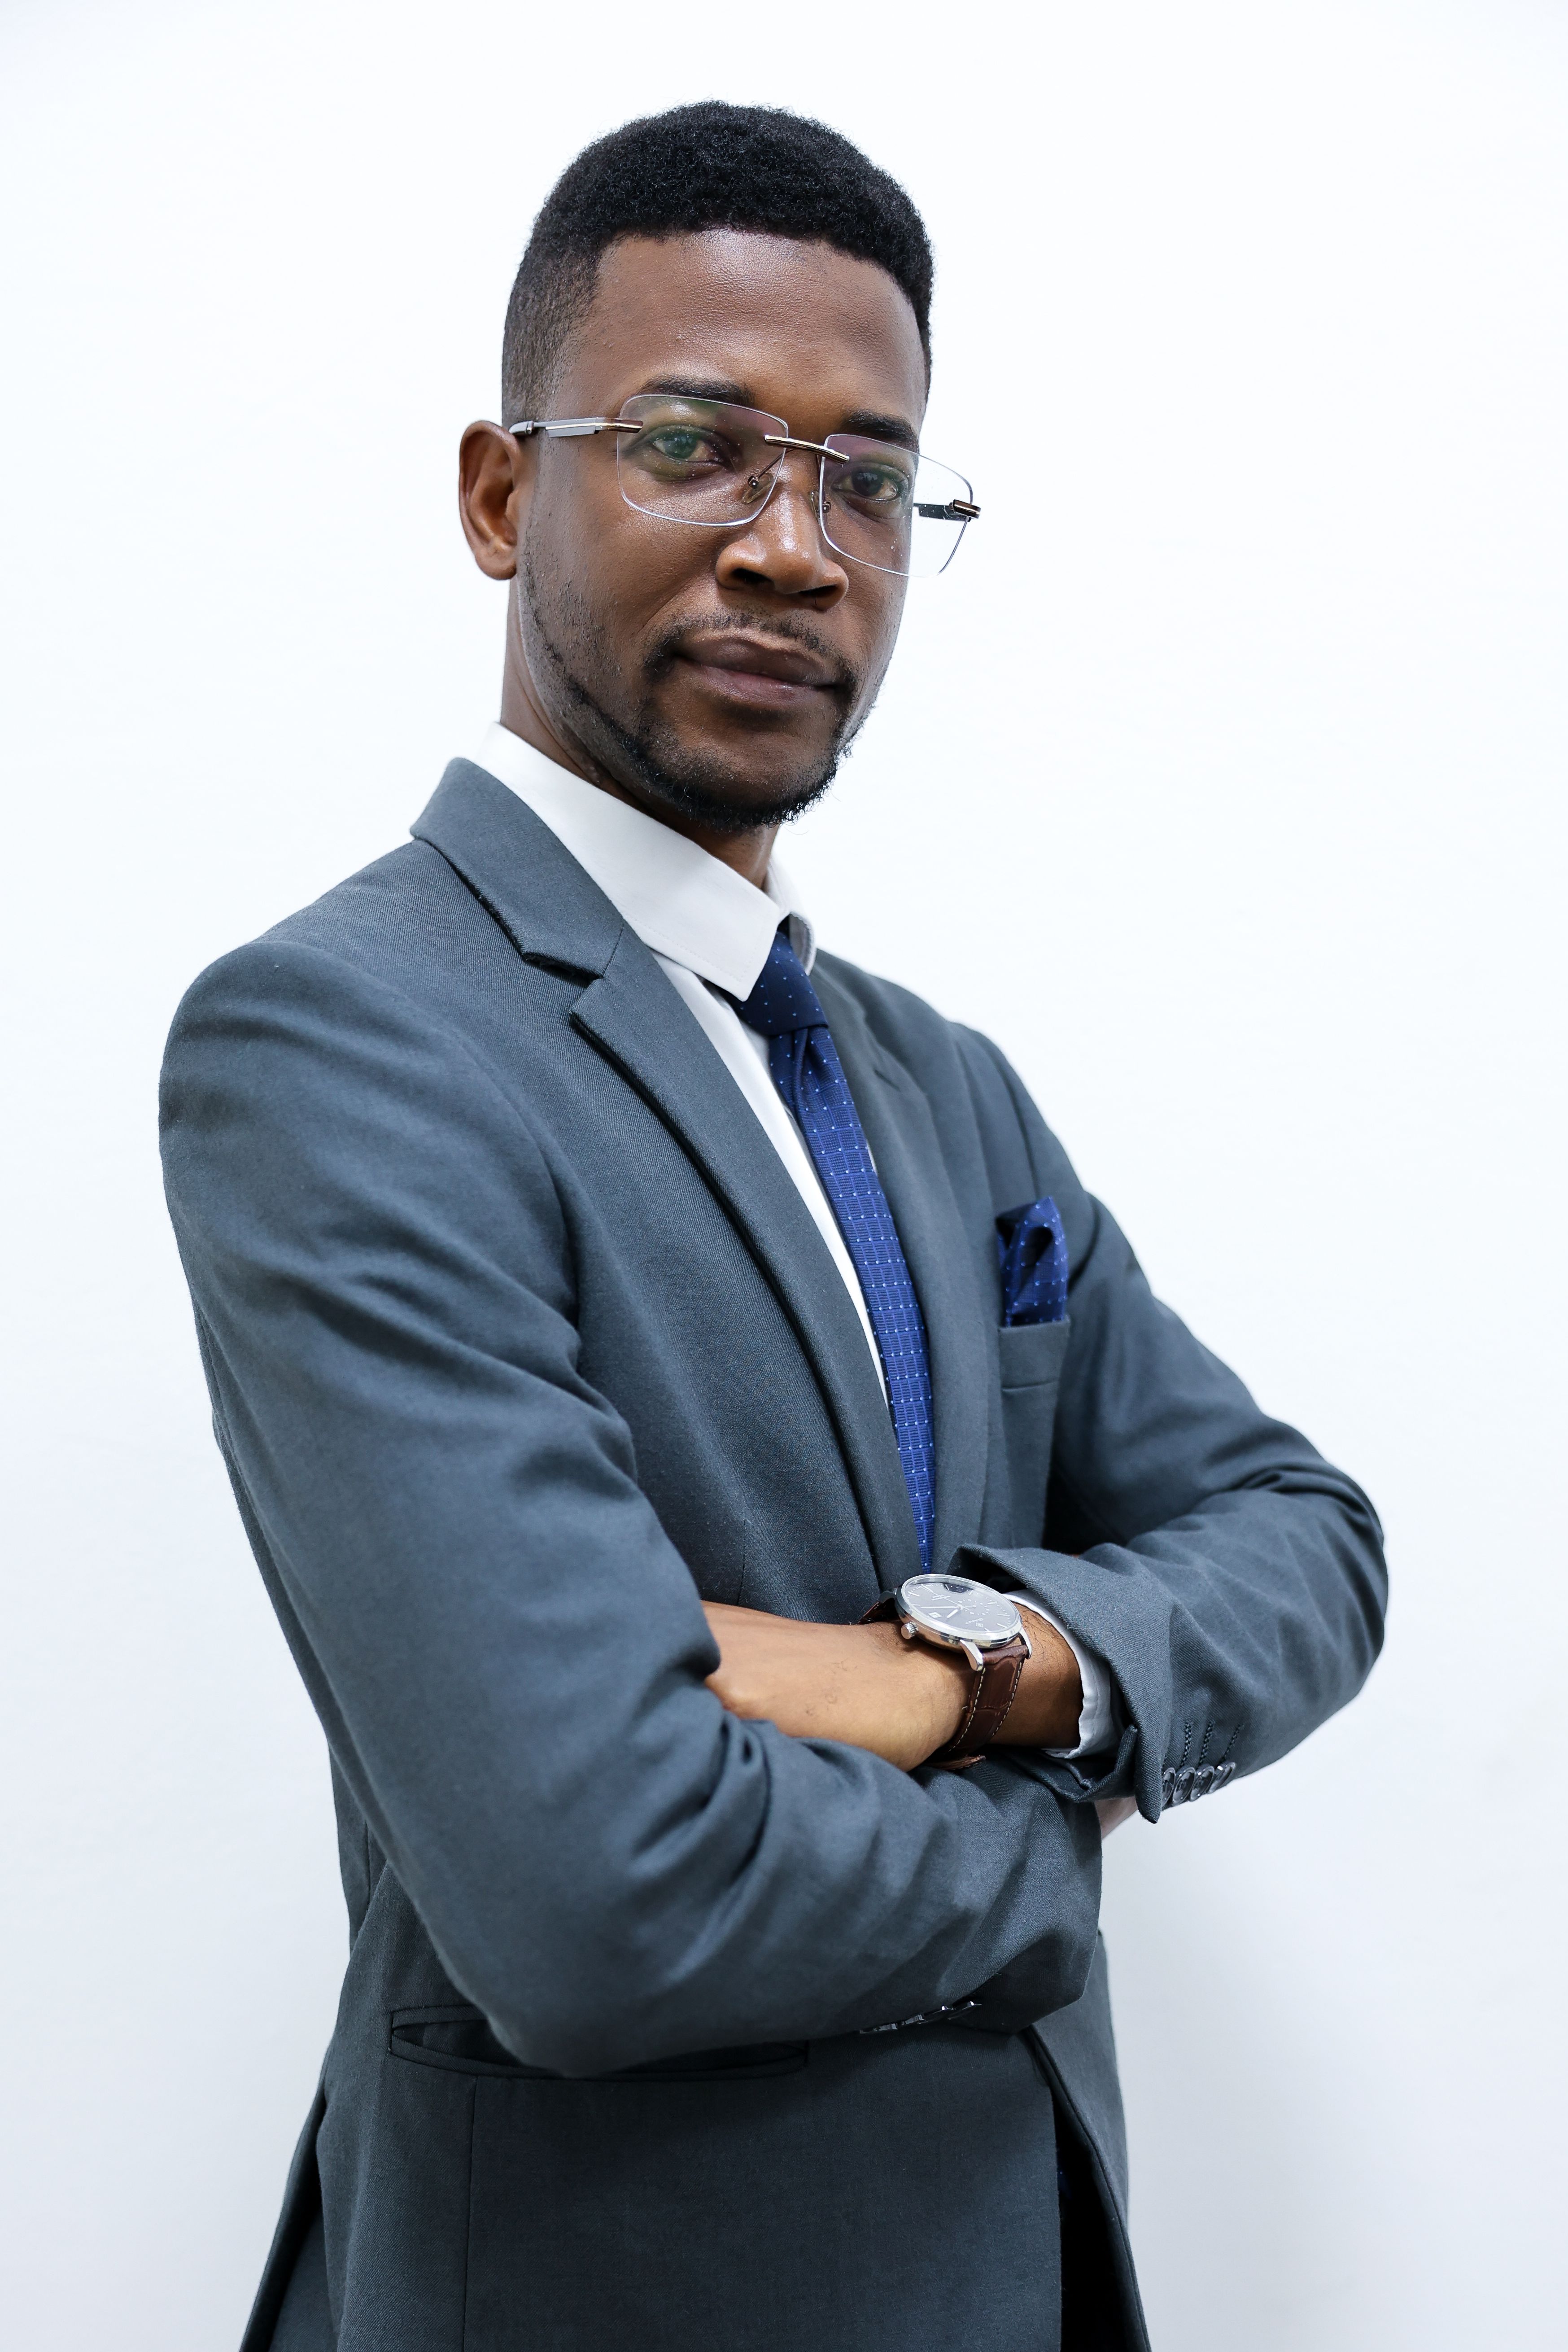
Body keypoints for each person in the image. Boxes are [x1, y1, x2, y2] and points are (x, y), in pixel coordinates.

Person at [159, 102, 1387, 2352]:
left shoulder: (939, 1084)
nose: (798, 548)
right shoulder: (346, 1042)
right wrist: (1056, 1840)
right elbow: (596, 1893)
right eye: (692, 448)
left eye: (869, 482)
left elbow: (1308, 1544)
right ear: (500, 492)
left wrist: (960, 1669)